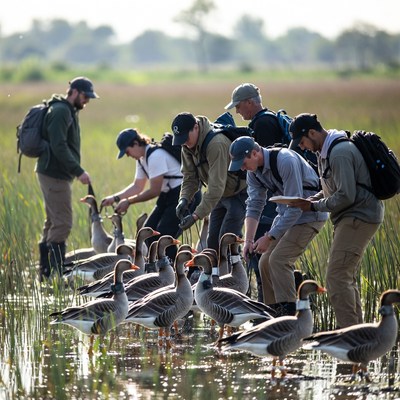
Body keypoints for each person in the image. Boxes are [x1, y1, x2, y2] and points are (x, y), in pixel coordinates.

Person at [288, 113, 384, 328]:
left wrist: (313, 206)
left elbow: (346, 195)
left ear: (312, 133)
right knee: (345, 277)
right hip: (350, 217)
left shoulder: (339, 153)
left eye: (302, 142)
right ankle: (357, 333)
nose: (302, 147)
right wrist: (310, 199)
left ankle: (348, 336)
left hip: (359, 216)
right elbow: (331, 189)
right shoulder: (326, 151)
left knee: (336, 277)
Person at [228, 136, 328, 316]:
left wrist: (270, 236)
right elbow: (254, 205)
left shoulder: (286, 161)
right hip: (286, 217)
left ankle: (289, 316)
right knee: (264, 263)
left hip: (309, 216)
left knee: (279, 261)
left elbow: (297, 207)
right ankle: (271, 314)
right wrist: (249, 240)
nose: (242, 169)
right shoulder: (253, 173)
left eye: (243, 163)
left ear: (254, 153)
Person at [224, 83, 285, 301]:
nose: (237, 112)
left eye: (239, 107)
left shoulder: (264, 124)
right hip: (267, 201)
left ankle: (268, 305)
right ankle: (269, 301)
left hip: (269, 205)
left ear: (250, 102)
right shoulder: (264, 121)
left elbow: (261, 167)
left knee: (260, 257)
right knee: (262, 257)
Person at [101, 128, 200, 260]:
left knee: (164, 236)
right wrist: (115, 198)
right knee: (147, 232)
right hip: (168, 196)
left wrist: (129, 202)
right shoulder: (142, 160)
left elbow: (154, 191)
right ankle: (163, 268)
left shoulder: (155, 156)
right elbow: (137, 186)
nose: (128, 155)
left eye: (127, 151)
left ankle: (173, 269)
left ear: (136, 143)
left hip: (185, 195)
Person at [36, 77, 98, 281]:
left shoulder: (68, 110)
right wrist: (79, 171)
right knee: (63, 223)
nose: (87, 101)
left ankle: (45, 274)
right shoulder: (62, 111)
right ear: (74, 92)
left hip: (56, 174)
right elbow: (58, 145)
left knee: (53, 221)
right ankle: (55, 274)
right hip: (54, 174)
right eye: (85, 96)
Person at [171, 112, 247, 252]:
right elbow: (190, 177)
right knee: (212, 243)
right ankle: (216, 273)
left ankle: (235, 272)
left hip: (239, 194)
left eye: (186, 138)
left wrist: (195, 216)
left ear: (195, 127)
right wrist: (184, 199)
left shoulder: (216, 144)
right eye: (181, 139)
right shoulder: (187, 145)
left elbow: (216, 186)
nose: (184, 143)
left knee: (226, 241)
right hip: (220, 196)